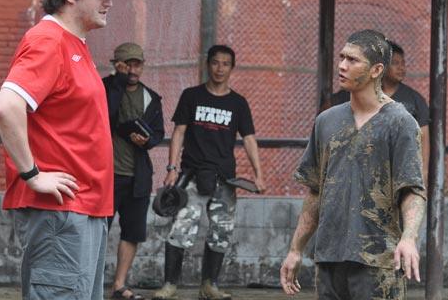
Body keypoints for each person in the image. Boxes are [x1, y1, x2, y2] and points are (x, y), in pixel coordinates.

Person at [0, 0, 127, 300]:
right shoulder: (48, 41)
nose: (109, 2)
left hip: (83, 210)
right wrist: (32, 174)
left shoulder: (73, 43)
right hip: (62, 213)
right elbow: (7, 107)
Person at [280, 30, 426, 299]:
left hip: (378, 260)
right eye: (342, 57)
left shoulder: (400, 122)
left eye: (353, 60)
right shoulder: (326, 121)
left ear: (376, 70)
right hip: (329, 258)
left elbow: (412, 189)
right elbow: (315, 190)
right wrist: (296, 249)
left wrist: (409, 237)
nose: (342, 65)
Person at [152, 45, 266, 300]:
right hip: (192, 175)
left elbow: (249, 139)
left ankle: (209, 286)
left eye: (225, 64)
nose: (220, 68)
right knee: (181, 228)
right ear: (208, 65)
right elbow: (179, 132)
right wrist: (171, 169)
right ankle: (170, 285)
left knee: (221, 231)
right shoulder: (191, 96)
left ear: (231, 68)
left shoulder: (238, 103)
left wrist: (259, 175)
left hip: (224, 178)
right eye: (215, 63)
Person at [103, 43, 165, 300]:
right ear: (116, 64)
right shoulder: (104, 88)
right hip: (106, 175)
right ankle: (89, 281)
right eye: (127, 64)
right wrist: (117, 82)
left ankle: (119, 286)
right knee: (96, 230)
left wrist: (147, 141)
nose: (132, 69)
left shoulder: (151, 97)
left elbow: (158, 134)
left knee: (132, 232)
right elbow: (106, 115)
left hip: (138, 176)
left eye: (137, 64)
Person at [328, 41, 430, 183]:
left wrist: (423, 174)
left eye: (403, 63)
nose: (401, 68)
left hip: (399, 175)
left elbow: (424, 139)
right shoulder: (358, 95)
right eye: (395, 63)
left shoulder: (415, 100)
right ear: (381, 67)